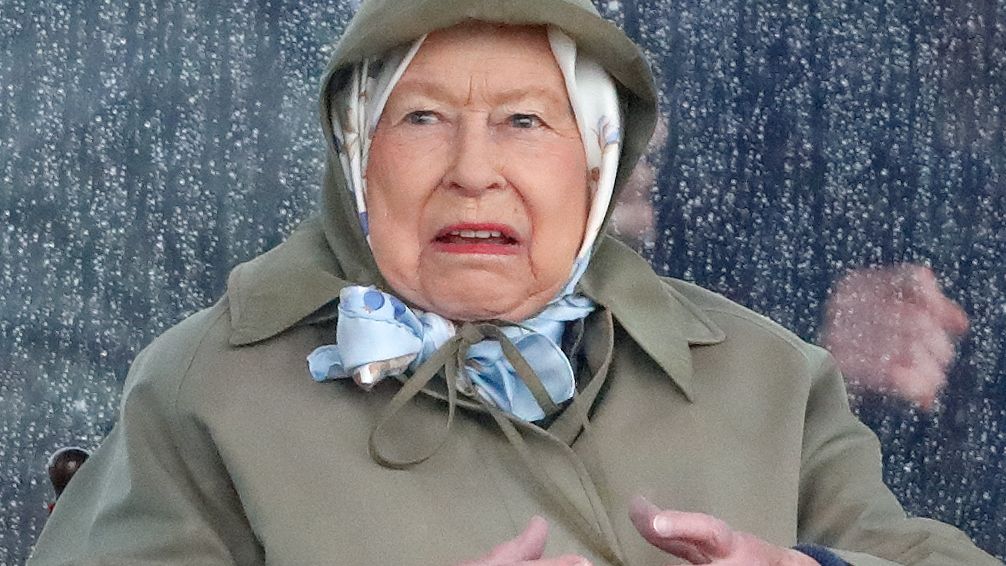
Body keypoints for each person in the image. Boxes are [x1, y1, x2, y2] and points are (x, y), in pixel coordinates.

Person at [28, 1, 1000, 565]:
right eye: (420, 119)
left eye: (526, 122)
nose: (472, 170)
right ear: (355, 158)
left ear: (599, 165)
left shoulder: (767, 373)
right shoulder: (210, 384)